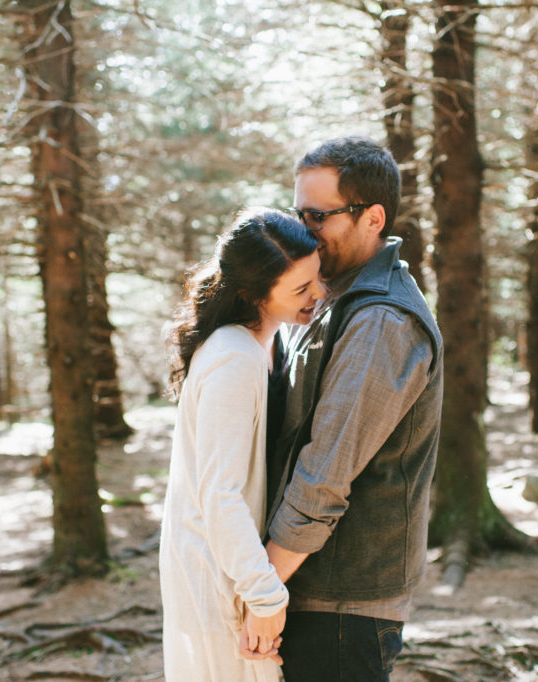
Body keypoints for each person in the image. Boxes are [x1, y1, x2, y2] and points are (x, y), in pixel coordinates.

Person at [260, 136, 444, 681]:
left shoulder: (381, 320)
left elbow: (324, 477)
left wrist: (262, 587)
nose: (303, 230)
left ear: (372, 217)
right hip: (313, 587)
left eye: (318, 216)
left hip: (341, 604)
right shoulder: (331, 297)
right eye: (298, 213)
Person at [159, 208, 326, 682]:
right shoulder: (234, 358)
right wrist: (265, 596)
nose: (317, 295)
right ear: (254, 294)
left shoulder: (260, 345)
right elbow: (220, 494)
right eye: (300, 289)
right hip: (218, 576)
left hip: (230, 567)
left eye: (315, 278)